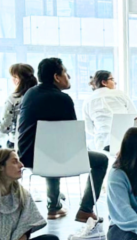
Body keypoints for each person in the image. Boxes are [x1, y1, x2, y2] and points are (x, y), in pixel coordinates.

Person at [18, 57, 108, 224]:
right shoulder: (63, 99)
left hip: (28, 158)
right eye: (66, 73)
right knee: (101, 160)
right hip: (52, 157)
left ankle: (54, 207)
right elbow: (72, 138)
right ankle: (85, 210)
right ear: (56, 77)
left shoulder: (30, 93)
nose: (69, 76)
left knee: (52, 148)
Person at [82, 69, 136, 152]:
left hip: (101, 143)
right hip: (123, 139)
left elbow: (88, 128)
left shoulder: (87, 101)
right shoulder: (120, 94)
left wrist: (101, 131)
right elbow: (134, 116)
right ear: (104, 82)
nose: (115, 82)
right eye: (112, 79)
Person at [0, 63, 37, 149]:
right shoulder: (39, 96)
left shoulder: (13, 99)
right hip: (38, 142)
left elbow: (5, 126)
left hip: (18, 143)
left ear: (17, 79)